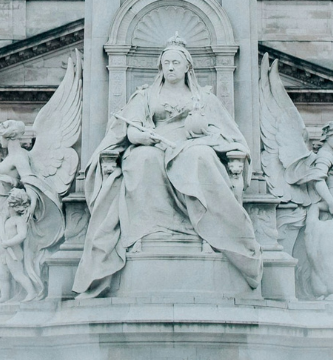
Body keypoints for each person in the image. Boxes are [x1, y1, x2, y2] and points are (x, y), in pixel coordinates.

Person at [76, 41, 260, 296]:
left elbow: (223, 130)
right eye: (166, 63)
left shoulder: (204, 98)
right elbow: (130, 129)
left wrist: (202, 134)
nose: (170, 67)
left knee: (201, 156)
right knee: (143, 160)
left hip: (191, 145)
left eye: (176, 63)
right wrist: (142, 137)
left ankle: (208, 226)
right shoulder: (145, 95)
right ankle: (148, 230)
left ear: (187, 67)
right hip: (154, 144)